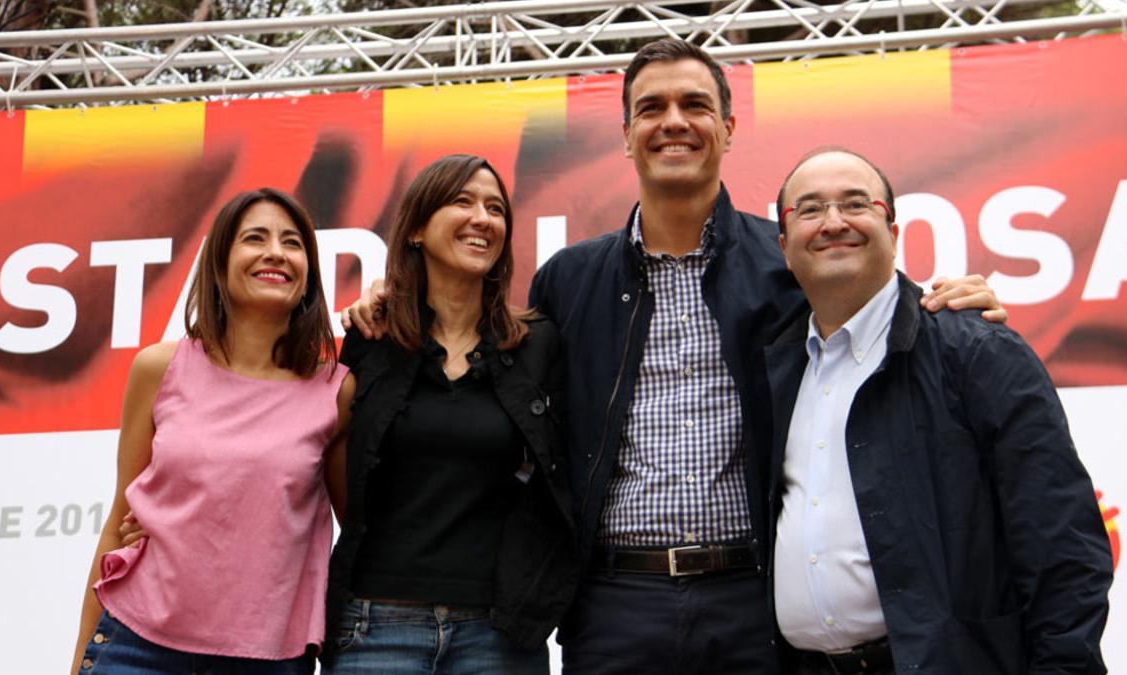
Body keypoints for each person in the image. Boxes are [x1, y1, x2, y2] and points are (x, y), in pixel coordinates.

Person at [346, 40, 1004, 674]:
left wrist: (947, 303)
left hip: (753, 600)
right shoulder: (568, 281)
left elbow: (873, 311)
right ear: (626, 133)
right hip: (611, 605)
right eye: (652, 108)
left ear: (728, 125)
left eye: (693, 105)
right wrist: (391, 295)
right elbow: (483, 348)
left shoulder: (787, 268)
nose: (674, 123)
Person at [766, 147, 1112, 674]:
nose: (834, 222)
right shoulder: (775, 371)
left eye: (856, 204)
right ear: (785, 247)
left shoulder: (975, 351)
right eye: (810, 210)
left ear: (895, 232)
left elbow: (1061, 545)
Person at [70, 188, 355, 674]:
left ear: (308, 272)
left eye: (292, 243)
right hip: (135, 646)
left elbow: (356, 530)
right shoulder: (159, 368)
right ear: (220, 261)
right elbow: (121, 516)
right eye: (254, 238)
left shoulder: (336, 390)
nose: (275, 252)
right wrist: (78, 662)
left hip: (268, 659)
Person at [322, 154, 576, 674]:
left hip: (498, 634)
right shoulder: (371, 338)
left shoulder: (538, 344)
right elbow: (337, 466)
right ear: (416, 228)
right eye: (462, 201)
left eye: (495, 208)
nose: (482, 218)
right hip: (374, 626)